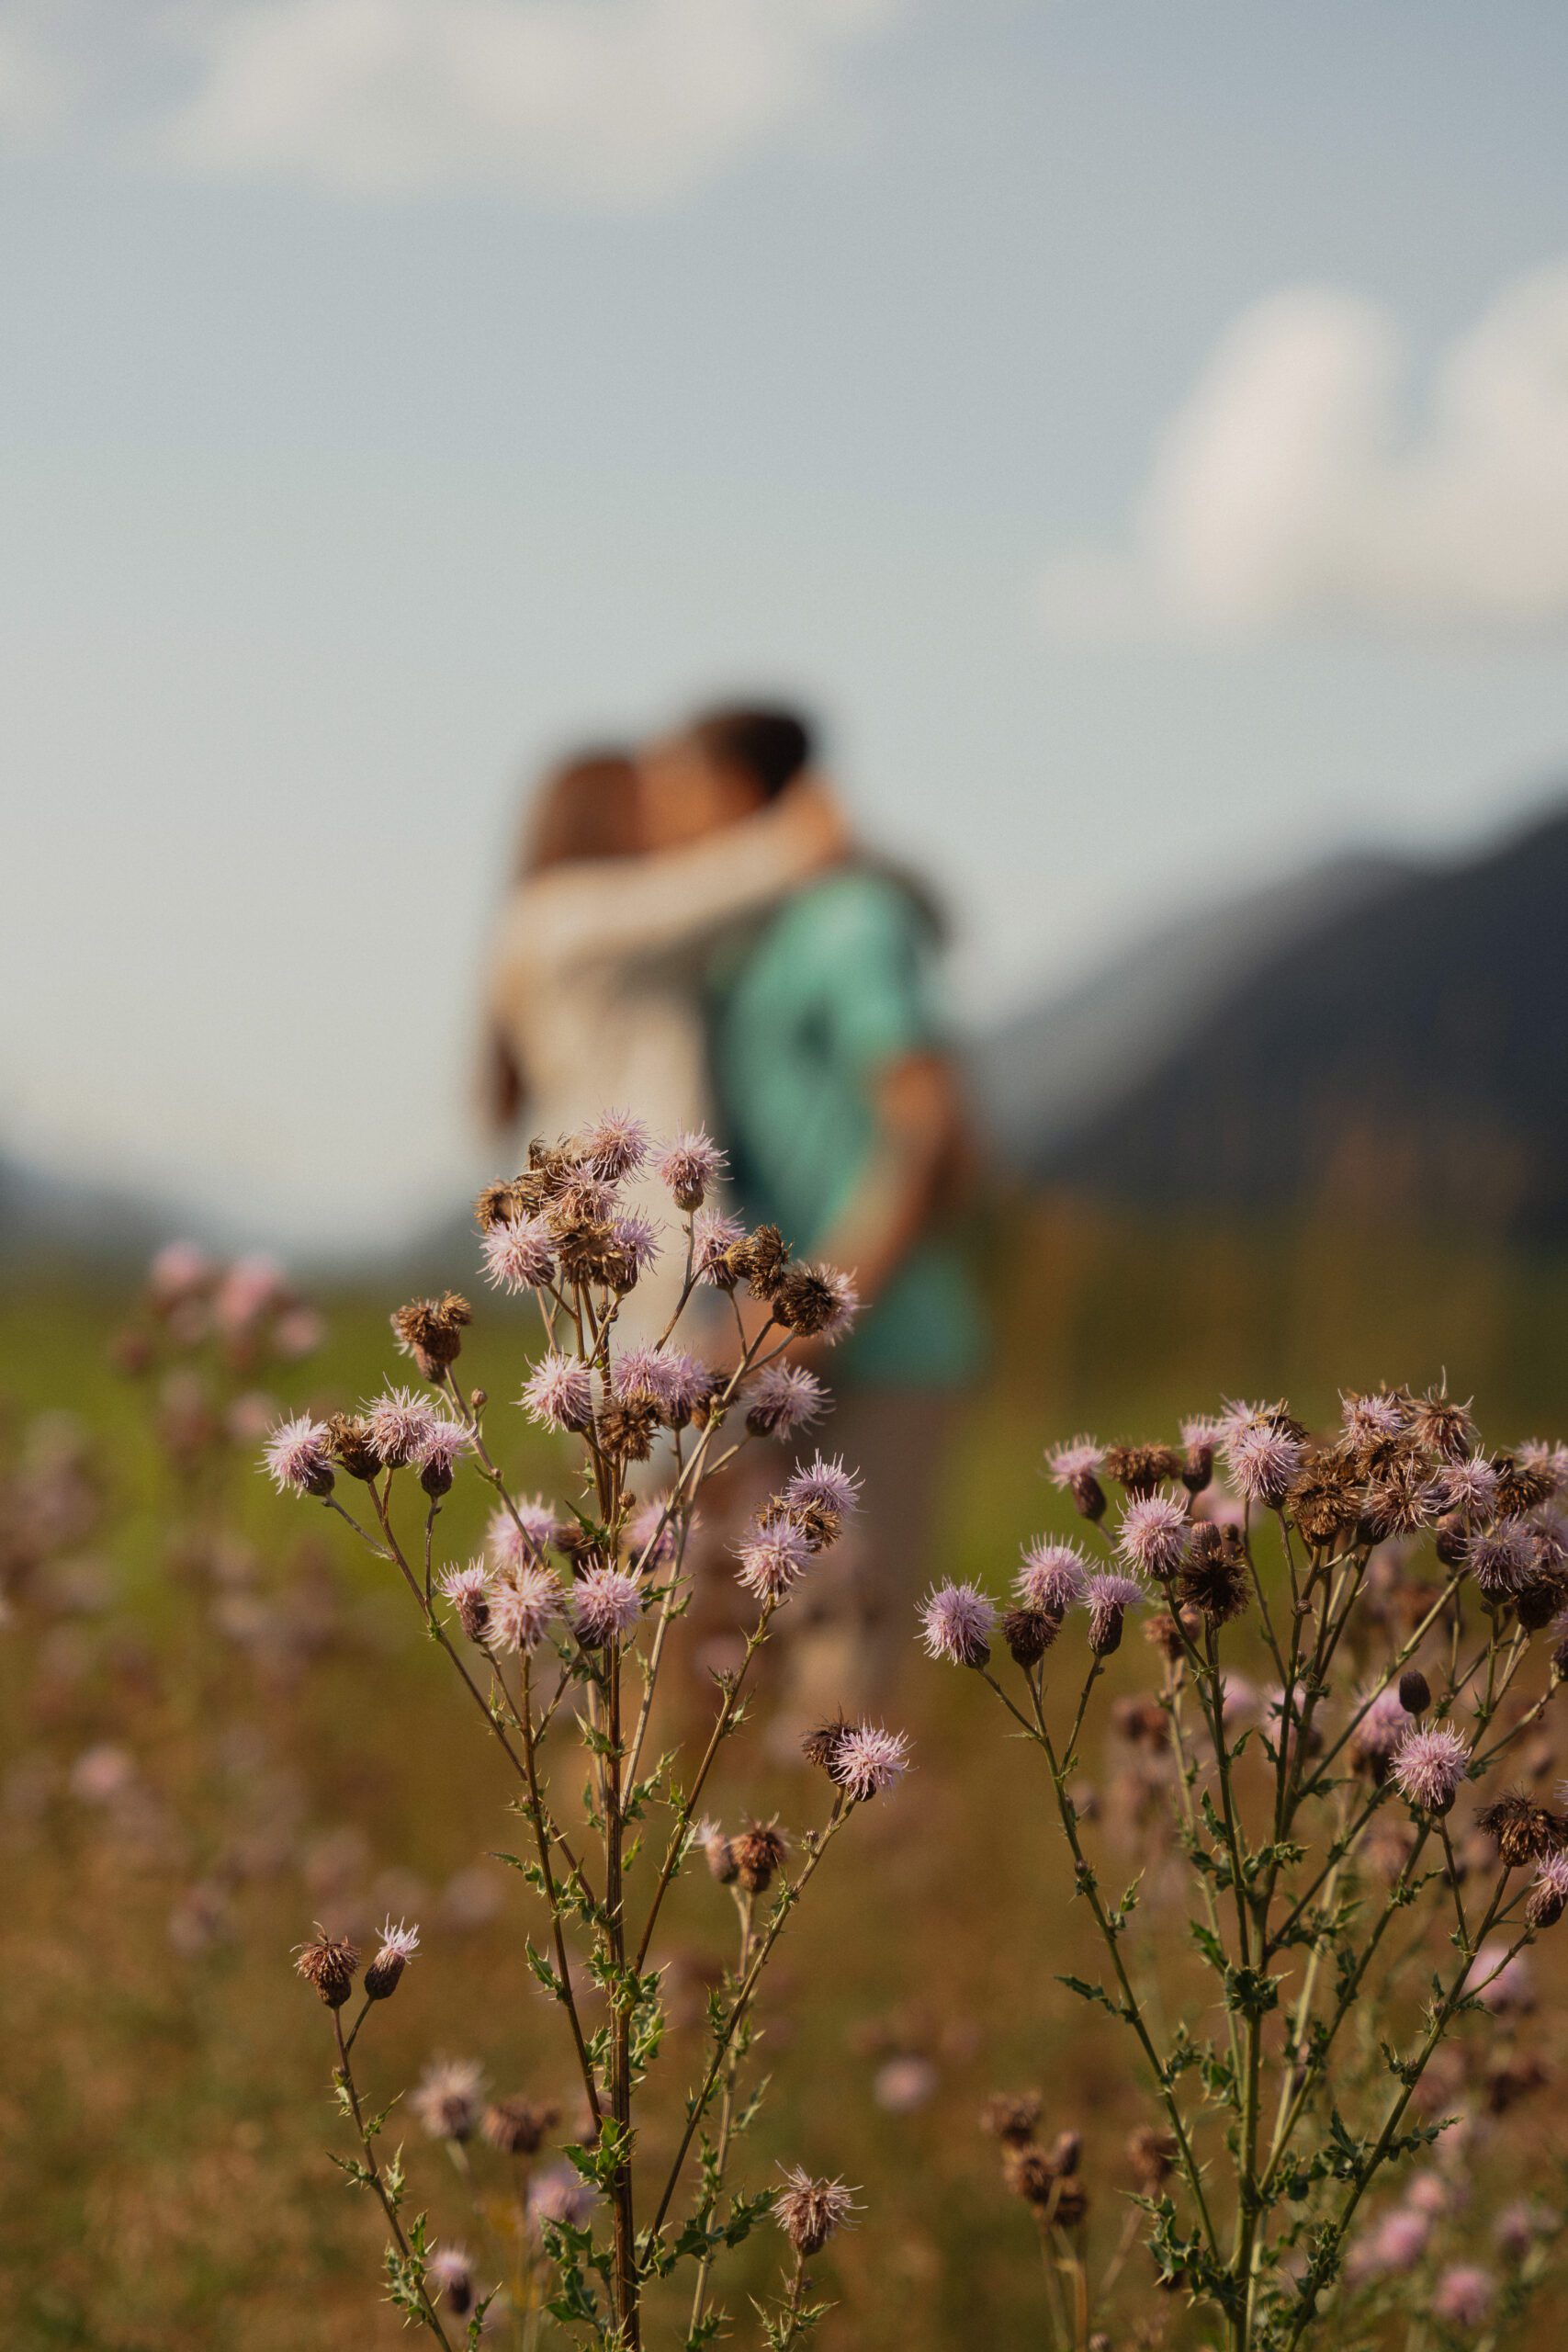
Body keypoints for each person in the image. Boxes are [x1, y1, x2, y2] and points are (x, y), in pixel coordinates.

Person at [641, 705, 987, 1711]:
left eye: (676, 799)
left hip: (882, 1357)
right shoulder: (741, 940)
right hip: (763, 1351)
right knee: (706, 1681)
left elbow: (927, 1123)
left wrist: (816, 1308)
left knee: (844, 1707)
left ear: (739, 793)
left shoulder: (848, 921)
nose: (660, 830)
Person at [480, 741, 846, 1343]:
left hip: (627, 1253)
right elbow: (780, 860)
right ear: (609, 815)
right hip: (649, 1261)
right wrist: (804, 817)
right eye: (656, 801)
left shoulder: (570, 927)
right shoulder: (567, 916)